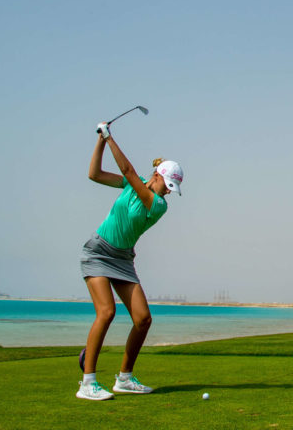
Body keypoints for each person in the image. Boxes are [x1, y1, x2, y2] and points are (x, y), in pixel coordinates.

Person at [75, 122, 184, 401]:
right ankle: (87, 383)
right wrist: (101, 140)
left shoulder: (158, 205)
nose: (169, 191)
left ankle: (124, 378)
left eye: (172, 189)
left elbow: (128, 171)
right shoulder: (129, 187)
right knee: (107, 312)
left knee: (143, 319)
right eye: (168, 185)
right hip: (98, 252)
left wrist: (110, 137)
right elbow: (94, 174)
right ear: (159, 175)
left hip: (123, 260)